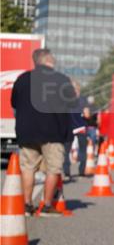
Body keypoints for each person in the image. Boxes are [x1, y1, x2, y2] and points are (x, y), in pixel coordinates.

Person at [10, 48, 74, 214]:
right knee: (53, 169)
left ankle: (27, 204)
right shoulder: (61, 79)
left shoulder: (22, 79)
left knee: (28, 168)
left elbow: (14, 103)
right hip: (53, 132)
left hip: (27, 132)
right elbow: (72, 103)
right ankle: (46, 205)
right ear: (48, 60)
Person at [63, 80, 89, 179]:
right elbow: (87, 114)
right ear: (79, 89)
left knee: (66, 151)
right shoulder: (83, 99)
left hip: (69, 128)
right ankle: (81, 172)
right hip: (81, 127)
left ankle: (67, 172)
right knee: (82, 150)